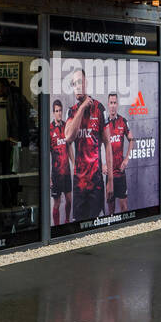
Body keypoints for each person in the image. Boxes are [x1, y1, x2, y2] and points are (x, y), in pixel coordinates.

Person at [63, 68, 109, 223]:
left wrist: (110, 181)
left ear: (86, 83)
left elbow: (108, 144)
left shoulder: (99, 108)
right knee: (79, 226)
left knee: (96, 225)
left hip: (96, 181)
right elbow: (68, 137)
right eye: (74, 83)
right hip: (79, 183)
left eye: (80, 82)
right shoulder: (72, 112)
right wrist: (82, 108)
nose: (77, 86)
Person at [103, 92, 131, 214]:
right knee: (111, 210)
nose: (113, 105)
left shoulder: (123, 121)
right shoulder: (103, 124)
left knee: (124, 208)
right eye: (111, 103)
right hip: (109, 176)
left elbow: (131, 139)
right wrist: (103, 164)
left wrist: (126, 159)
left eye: (115, 103)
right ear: (108, 105)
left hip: (120, 174)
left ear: (117, 104)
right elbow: (97, 145)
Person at [48, 99, 71, 224]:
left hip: (67, 172)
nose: (58, 113)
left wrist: (75, 164)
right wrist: (49, 178)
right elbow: (46, 155)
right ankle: (56, 227)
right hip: (56, 174)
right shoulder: (50, 130)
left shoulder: (66, 126)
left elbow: (69, 147)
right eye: (56, 111)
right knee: (56, 203)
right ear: (53, 112)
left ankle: (67, 221)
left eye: (60, 111)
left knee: (69, 199)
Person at [0, 77, 32, 144]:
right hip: (26, 135)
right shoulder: (16, 95)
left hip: (21, 137)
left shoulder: (12, 98)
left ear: (5, 88)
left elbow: (14, 121)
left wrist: (13, 139)